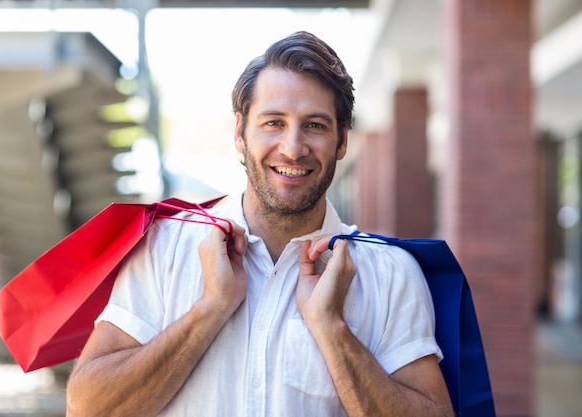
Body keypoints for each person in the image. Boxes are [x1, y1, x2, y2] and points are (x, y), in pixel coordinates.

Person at [66, 31, 453, 417]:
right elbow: (87, 409)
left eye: (315, 125)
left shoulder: (391, 273)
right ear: (240, 132)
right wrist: (209, 309)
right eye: (273, 122)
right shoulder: (165, 247)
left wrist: (332, 329)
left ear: (342, 142)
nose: (292, 147)